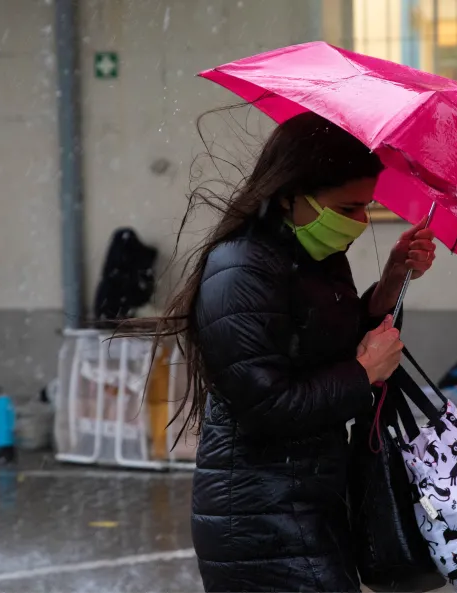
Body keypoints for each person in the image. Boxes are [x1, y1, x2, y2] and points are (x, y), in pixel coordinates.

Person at [152, 112, 436, 592]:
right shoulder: (241, 268)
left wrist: (389, 285)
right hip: (258, 517)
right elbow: (265, 405)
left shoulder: (317, 259)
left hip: (309, 503)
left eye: (366, 207)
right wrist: (363, 373)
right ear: (289, 194)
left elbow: (326, 346)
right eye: (347, 208)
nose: (360, 222)